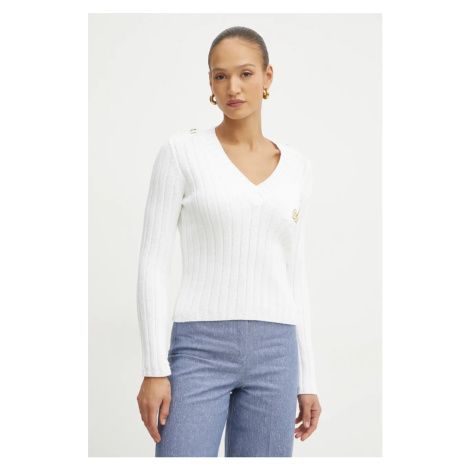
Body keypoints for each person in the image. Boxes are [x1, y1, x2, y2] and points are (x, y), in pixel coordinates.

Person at [136, 26, 322, 457]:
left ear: (268, 76)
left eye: (245, 73)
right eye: (220, 76)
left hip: (277, 354)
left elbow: (294, 274)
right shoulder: (181, 153)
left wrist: (307, 378)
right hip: (199, 348)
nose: (233, 87)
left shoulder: (298, 168)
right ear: (210, 83)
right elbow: (153, 263)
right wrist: (153, 367)